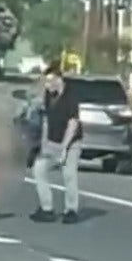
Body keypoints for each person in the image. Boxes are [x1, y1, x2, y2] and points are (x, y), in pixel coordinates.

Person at [30, 64, 82, 224]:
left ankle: (71, 210)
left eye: (50, 81)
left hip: (71, 142)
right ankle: (47, 209)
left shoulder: (70, 96)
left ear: (59, 80)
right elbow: (46, 120)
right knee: (38, 169)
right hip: (52, 141)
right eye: (45, 82)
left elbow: (73, 124)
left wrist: (64, 149)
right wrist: (44, 145)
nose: (47, 85)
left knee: (69, 174)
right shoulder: (48, 95)